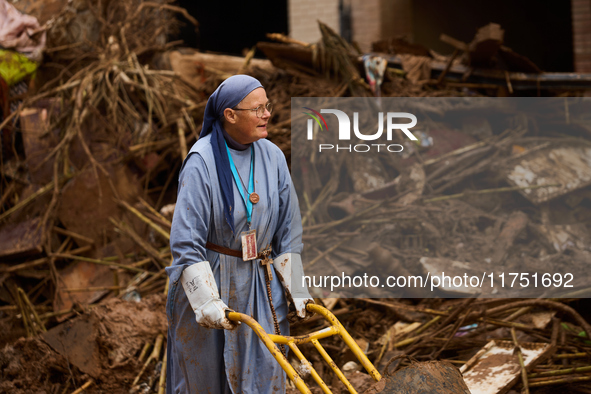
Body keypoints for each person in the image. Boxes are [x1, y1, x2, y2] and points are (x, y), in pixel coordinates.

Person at [165, 75, 314, 394]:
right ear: (230, 115)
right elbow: (186, 241)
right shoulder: (201, 161)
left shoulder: (273, 156)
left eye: (267, 107)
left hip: (261, 284)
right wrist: (206, 301)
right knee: (207, 376)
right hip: (215, 277)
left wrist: (296, 286)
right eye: (257, 108)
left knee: (266, 370)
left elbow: (289, 227)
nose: (267, 114)